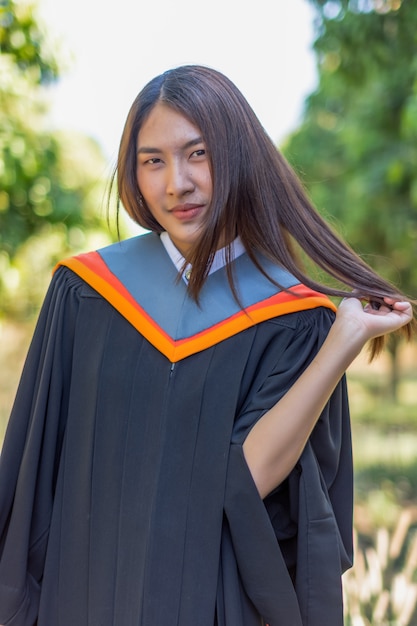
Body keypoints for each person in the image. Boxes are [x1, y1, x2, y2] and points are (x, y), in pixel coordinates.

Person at [0, 65, 413, 626]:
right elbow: (32, 474)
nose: (177, 183)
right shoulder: (87, 293)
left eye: (198, 153)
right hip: (84, 597)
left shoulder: (291, 318)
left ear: (238, 155)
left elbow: (252, 475)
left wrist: (342, 341)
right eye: (153, 161)